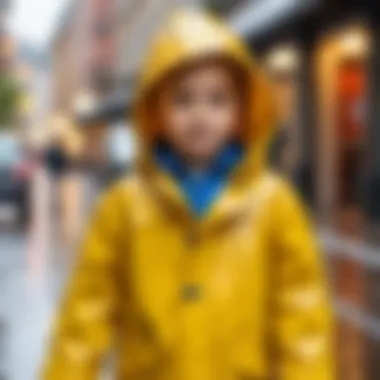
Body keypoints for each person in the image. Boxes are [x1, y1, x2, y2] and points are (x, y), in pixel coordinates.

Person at [42, 10, 334, 380]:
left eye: (217, 100)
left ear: (241, 111)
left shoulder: (274, 205)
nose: (201, 115)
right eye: (183, 99)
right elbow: (84, 320)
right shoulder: (123, 207)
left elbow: (302, 322)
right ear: (156, 111)